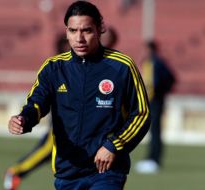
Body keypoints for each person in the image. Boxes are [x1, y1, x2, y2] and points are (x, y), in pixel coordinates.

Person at [8, 1, 151, 190]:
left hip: (106, 171)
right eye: (73, 31)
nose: (79, 38)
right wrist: (23, 119)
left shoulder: (122, 67)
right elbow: (36, 103)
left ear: (100, 29)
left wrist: (113, 145)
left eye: (87, 30)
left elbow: (141, 114)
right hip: (68, 172)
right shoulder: (53, 68)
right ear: (66, 32)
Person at [3, 33, 70, 190]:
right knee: (46, 150)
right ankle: (16, 172)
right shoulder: (56, 69)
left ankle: (17, 172)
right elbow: (38, 100)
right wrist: (25, 118)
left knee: (50, 154)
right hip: (61, 126)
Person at [135, 40, 175, 174]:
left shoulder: (156, 62)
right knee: (152, 130)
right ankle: (151, 158)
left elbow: (170, 78)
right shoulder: (150, 62)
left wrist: (160, 92)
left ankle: (155, 159)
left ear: (149, 49)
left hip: (155, 100)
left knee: (155, 130)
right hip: (151, 100)